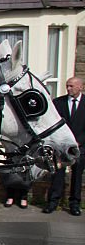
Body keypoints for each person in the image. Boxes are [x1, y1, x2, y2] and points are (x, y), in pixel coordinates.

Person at [43, 77, 85, 216]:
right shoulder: (58, 103)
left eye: (71, 86)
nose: (68, 89)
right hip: (60, 147)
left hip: (80, 147)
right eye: (67, 86)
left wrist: (78, 141)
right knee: (57, 174)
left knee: (77, 176)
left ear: (81, 87)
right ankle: (53, 202)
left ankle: (74, 204)